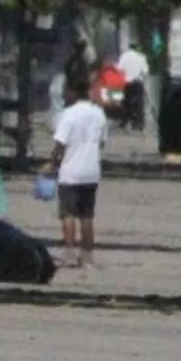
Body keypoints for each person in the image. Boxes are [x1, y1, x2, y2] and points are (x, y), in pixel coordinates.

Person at [49, 71, 107, 266]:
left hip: (70, 172)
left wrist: (52, 164)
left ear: (73, 92)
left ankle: (69, 252)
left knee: (68, 215)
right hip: (91, 172)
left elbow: (59, 145)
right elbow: (101, 143)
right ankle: (88, 255)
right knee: (87, 216)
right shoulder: (99, 114)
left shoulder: (68, 115)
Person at [116, 40, 152, 133]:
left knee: (126, 103)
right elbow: (145, 71)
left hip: (127, 83)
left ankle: (124, 122)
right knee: (139, 104)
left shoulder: (124, 56)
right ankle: (138, 124)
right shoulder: (141, 57)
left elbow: (119, 69)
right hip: (137, 83)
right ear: (138, 48)